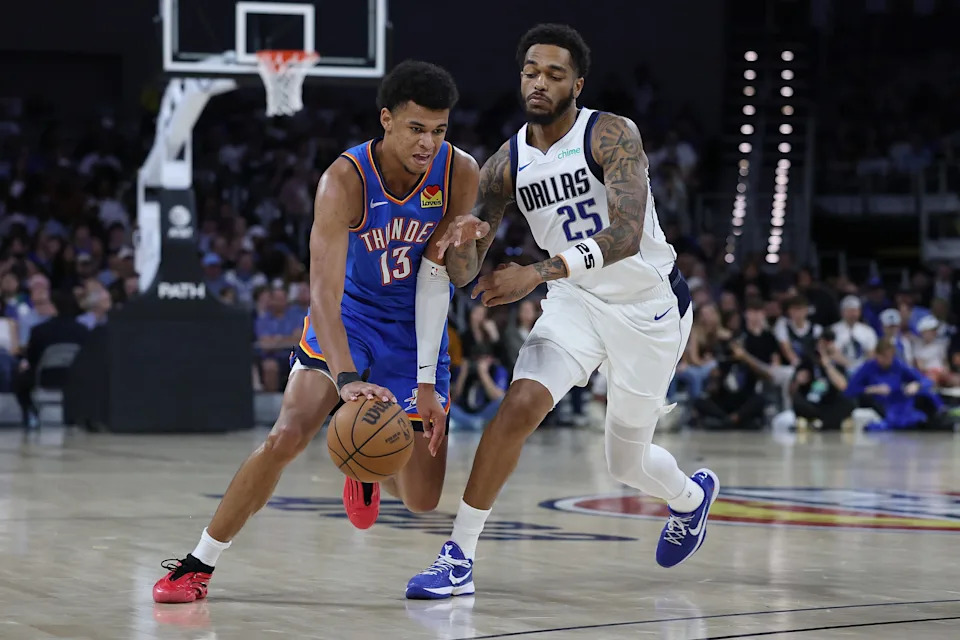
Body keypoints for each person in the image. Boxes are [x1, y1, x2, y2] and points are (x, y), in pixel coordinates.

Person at [406, 24, 717, 600]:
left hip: (646, 307)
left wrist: (537, 272)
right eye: (530, 71)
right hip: (575, 303)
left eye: (553, 73)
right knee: (518, 405)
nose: (539, 82)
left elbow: (624, 234)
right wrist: (464, 238)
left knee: (626, 463)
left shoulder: (611, 135)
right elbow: (467, 274)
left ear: (577, 82)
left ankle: (692, 498)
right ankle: (459, 556)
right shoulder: (506, 163)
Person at [153, 60, 481, 604]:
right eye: (417, 129)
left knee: (423, 499)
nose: (429, 143)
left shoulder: (459, 173)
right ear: (387, 120)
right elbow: (322, 297)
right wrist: (347, 378)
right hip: (349, 319)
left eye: (440, 130)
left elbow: (447, 280)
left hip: (415, 327)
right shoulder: (344, 180)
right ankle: (197, 565)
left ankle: (366, 467)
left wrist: (467, 247)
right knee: (286, 434)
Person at [845, 338, 943, 430]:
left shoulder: (897, 365)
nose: (889, 360)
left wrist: (916, 385)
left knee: (926, 395)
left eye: (891, 357)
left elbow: (925, 380)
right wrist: (872, 389)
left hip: (899, 403)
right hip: (879, 404)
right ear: (877, 355)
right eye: (885, 357)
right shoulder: (868, 368)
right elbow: (850, 390)